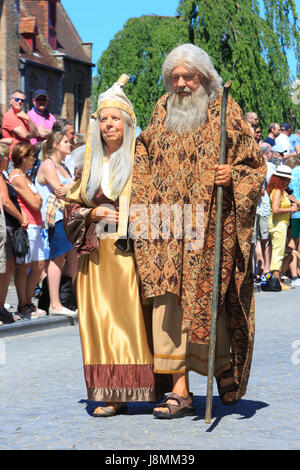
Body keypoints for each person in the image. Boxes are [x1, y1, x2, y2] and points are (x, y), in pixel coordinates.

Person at [130, 43, 266, 419]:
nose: (181, 84)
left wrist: (232, 175)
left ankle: (220, 368)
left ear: (204, 78)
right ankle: (178, 390)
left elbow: (254, 165)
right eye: (174, 77)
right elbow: (143, 158)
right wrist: (139, 217)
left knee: (210, 299)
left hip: (210, 223)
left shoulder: (225, 109)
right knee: (167, 302)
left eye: (188, 76)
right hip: (165, 224)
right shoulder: (161, 108)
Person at [64, 75, 171, 417]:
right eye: (104, 119)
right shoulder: (87, 165)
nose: (109, 125)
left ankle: (150, 386)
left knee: (131, 321)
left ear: (128, 123)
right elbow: (71, 209)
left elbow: (160, 206)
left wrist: (131, 216)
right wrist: (91, 211)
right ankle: (112, 393)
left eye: (116, 119)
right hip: (95, 258)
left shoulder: (142, 164)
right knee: (100, 321)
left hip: (131, 256)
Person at [35, 132, 77, 316]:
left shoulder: (64, 167)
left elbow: (69, 188)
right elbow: (60, 191)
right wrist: (75, 185)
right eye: (66, 142)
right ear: (55, 145)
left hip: (70, 217)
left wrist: (72, 186)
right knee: (58, 258)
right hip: (57, 217)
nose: (70, 144)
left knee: (73, 259)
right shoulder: (48, 165)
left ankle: (66, 299)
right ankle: (54, 303)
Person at [8, 143, 46, 318]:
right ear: (24, 157)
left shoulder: (26, 176)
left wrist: (37, 198)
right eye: (32, 156)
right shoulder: (17, 177)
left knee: (38, 265)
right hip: (27, 226)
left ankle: (28, 302)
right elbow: (36, 203)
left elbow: (38, 201)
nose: (35, 159)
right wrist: (38, 198)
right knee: (23, 266)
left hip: (36, 224)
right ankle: (23, 304)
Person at [0, 143, 28, 322]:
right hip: (7, 225)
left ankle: (1, 306)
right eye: (6, 157)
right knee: (3, 268)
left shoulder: (3, 176)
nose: (9, 160)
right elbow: (6, 202)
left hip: (10, 227)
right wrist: (21, 217)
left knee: (8, 267)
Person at [267, 165, 299, 289]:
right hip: (278, 224)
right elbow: (275, 209)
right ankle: (276, 280)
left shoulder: (281, 191)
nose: (290, 181)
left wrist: (291, 207)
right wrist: (290, 209)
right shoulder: (277, 192)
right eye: (287, 179)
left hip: (281, 223)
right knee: (278, 252)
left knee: (280, 252)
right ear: (281, 179)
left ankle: (277, 279)